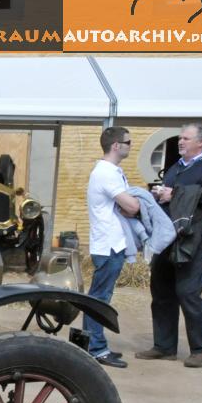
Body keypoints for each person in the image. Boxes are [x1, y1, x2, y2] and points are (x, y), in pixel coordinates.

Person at [137, 123, 202, 368]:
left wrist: (176, 194)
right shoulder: (176, 165)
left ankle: (200, 349)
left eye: (185, 138)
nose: (180, 141)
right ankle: (164, 346)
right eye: (180, 137)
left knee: (187, 292)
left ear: (201, 142)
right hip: (167, 235)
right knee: (161, 291)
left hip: (194, 237)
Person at [83, 126, 140, 368]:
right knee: (99, 299)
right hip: (108, 244)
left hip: (110, 243)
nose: (131, 145)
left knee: (99, 298)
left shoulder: (110, 171)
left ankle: (93, 345)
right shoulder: (106, 173)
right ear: (116, 146)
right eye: (128, 142)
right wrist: (136, 201)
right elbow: (133, 207)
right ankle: (95, 348)